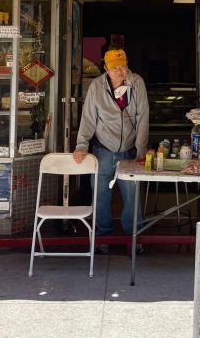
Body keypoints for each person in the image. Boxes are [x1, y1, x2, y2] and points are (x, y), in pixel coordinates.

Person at [73, 48, 149, 253]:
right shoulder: (96, 86)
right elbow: (88, 117)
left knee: (132, 195)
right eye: (114, 68)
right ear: (105, 68)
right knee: (100, 195)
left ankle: (134, 237)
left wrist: (141, 150)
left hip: (130, 150)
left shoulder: (137, 83)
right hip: (103, 149)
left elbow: (143, 117)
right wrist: (82, 145)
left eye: (122, 66)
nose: (119, 71)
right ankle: (102, 236)